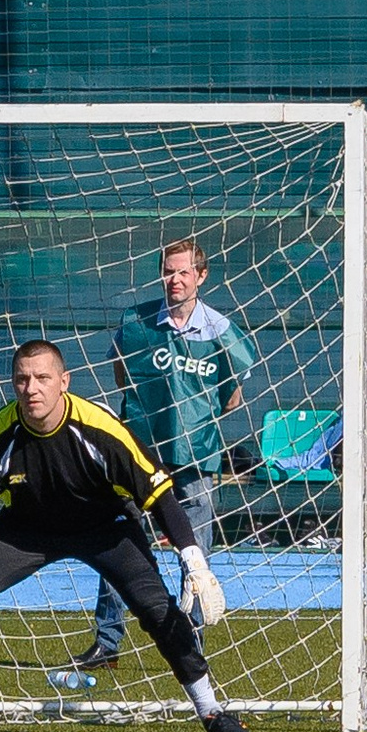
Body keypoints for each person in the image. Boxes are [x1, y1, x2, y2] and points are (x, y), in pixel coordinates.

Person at [0, 339, 247, 732]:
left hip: (106, 527)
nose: (32, 388)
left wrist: (195, 563)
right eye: (22, 379)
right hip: (27, 529)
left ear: (63, 382)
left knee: (156, 608)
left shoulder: (101, 430)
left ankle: (210, 710)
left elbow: (160, 497)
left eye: (42, 378)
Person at [77, 236, 254, 670]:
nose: (175, 280)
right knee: (118, 541)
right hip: (138, 453)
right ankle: (107, 641)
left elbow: (232, 397)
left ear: (201, 275)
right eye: (168, 271)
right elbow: (123, 373)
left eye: (184, 272)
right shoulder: (136, 323)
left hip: (196, 458)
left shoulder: (223, 333)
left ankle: (190, 642)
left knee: (194, 551)